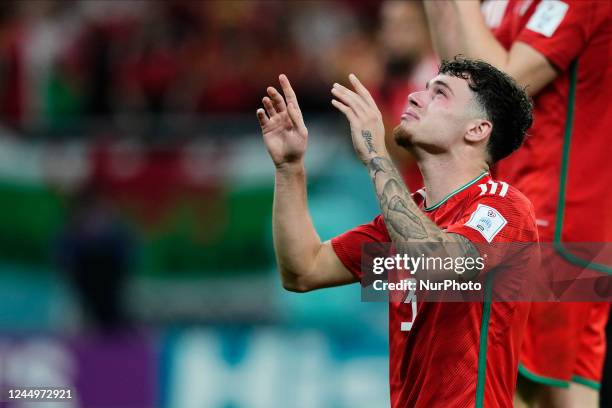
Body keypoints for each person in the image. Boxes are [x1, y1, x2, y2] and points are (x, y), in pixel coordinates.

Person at [256, 57, 537, 407]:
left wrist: (377, 154)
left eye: (440, 94)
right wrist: (289, 167)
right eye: (424, 89)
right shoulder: (402, 221)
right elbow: (303, 269)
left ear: (477, 130)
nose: (416, 97)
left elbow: (437, 263)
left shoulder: (504, 206)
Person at [423, 1, 612, 406]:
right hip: (528, 210)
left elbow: (504, 87)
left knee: (511, 385)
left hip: (558, 220)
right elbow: (461, 82)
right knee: (563, 394)